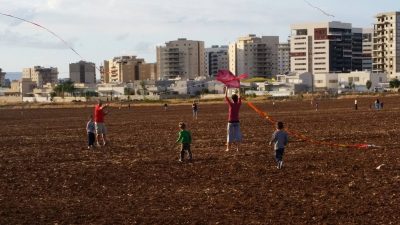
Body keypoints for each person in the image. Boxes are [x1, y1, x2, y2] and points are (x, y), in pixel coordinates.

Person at [225, 87, 242, 151]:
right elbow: (240, 97)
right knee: (237, 134)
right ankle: (238, 148)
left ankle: (228, 148)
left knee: (229, 134)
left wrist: (226, 88)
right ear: (237, 99)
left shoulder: (231, 104)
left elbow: (226, 97)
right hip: (237, 122)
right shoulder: (238, 104)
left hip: (231, 122)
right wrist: (238, 89)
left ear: (232, 99)